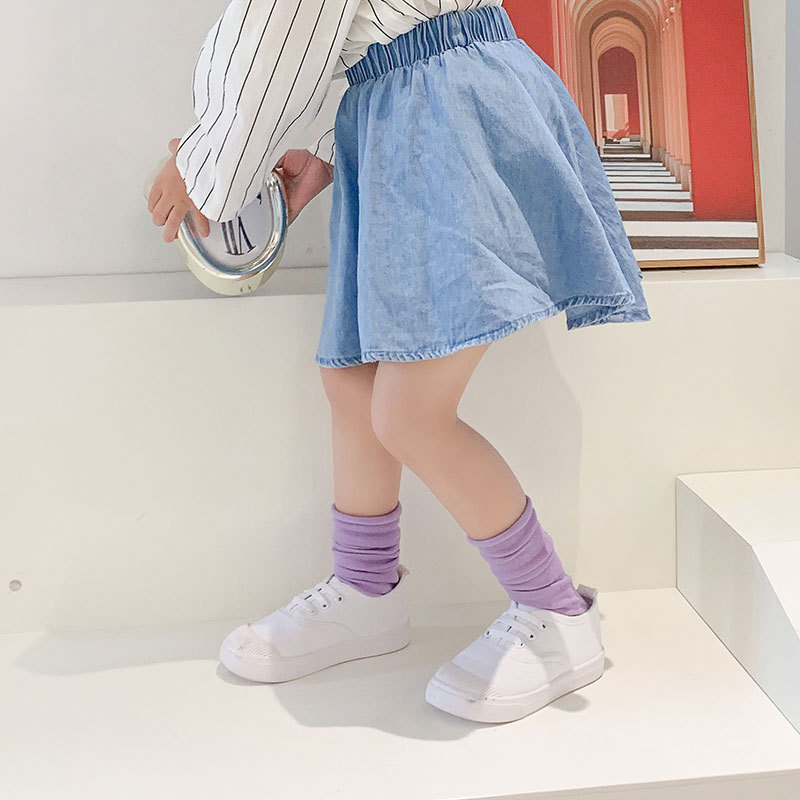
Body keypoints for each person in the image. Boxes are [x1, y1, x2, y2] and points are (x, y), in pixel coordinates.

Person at [146, 1, 651, 724]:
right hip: (405, 107)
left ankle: (556, 609)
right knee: (351, 375)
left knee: (411, 412)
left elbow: (275, 33)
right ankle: (364, 588)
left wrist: (204, 165)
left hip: (442, 109)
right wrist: (326, 148)